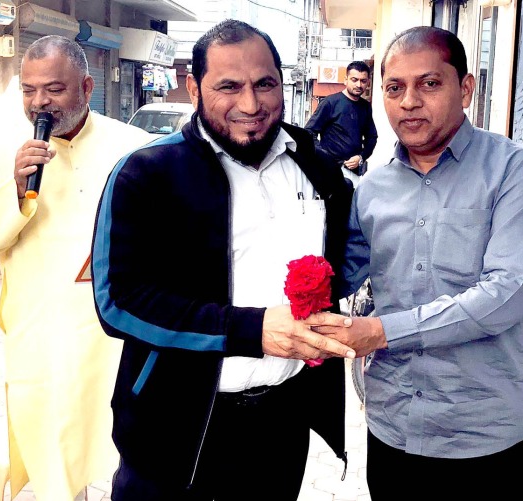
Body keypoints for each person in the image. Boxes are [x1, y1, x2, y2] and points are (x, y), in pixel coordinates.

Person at [91, 19, 355, 501]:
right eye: (228, 87)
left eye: (265, 84)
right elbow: (118, 302)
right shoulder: (147, 173)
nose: (250, 105)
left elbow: (344, 260)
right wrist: (252, 330)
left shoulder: (316, 167)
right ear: (194, 88)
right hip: (175, 428)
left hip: (280, 425)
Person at [327, 26, 523, 499]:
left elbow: (505, 295)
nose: (409, 102)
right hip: (392, 428)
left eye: (429, 83)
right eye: (394, 88)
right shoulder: (372, 188)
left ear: (465, 89)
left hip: (483, 436)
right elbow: (342, 274)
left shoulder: (514, 171)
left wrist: (382, 332)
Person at [0, 35, 149, 501]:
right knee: (55, 468)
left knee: (124, 453)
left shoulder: (133, 147)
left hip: (114, 336)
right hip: (43, 340)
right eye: (29, 90)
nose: (39, 102)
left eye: (54, 89)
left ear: (86, 86)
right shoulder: (5, 152)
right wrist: (15, 189)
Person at [305, 60, 378, 188]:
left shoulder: (365, 107)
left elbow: (371, 137)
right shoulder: (330, 102)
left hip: (355, 173)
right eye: (354, 80)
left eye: (363, 81)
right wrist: (324, 158)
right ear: (346, 80)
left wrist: (361, 157)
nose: (359, 84)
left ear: (368, 83)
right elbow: (309, 132)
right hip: (330, 171)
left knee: (353, 201)